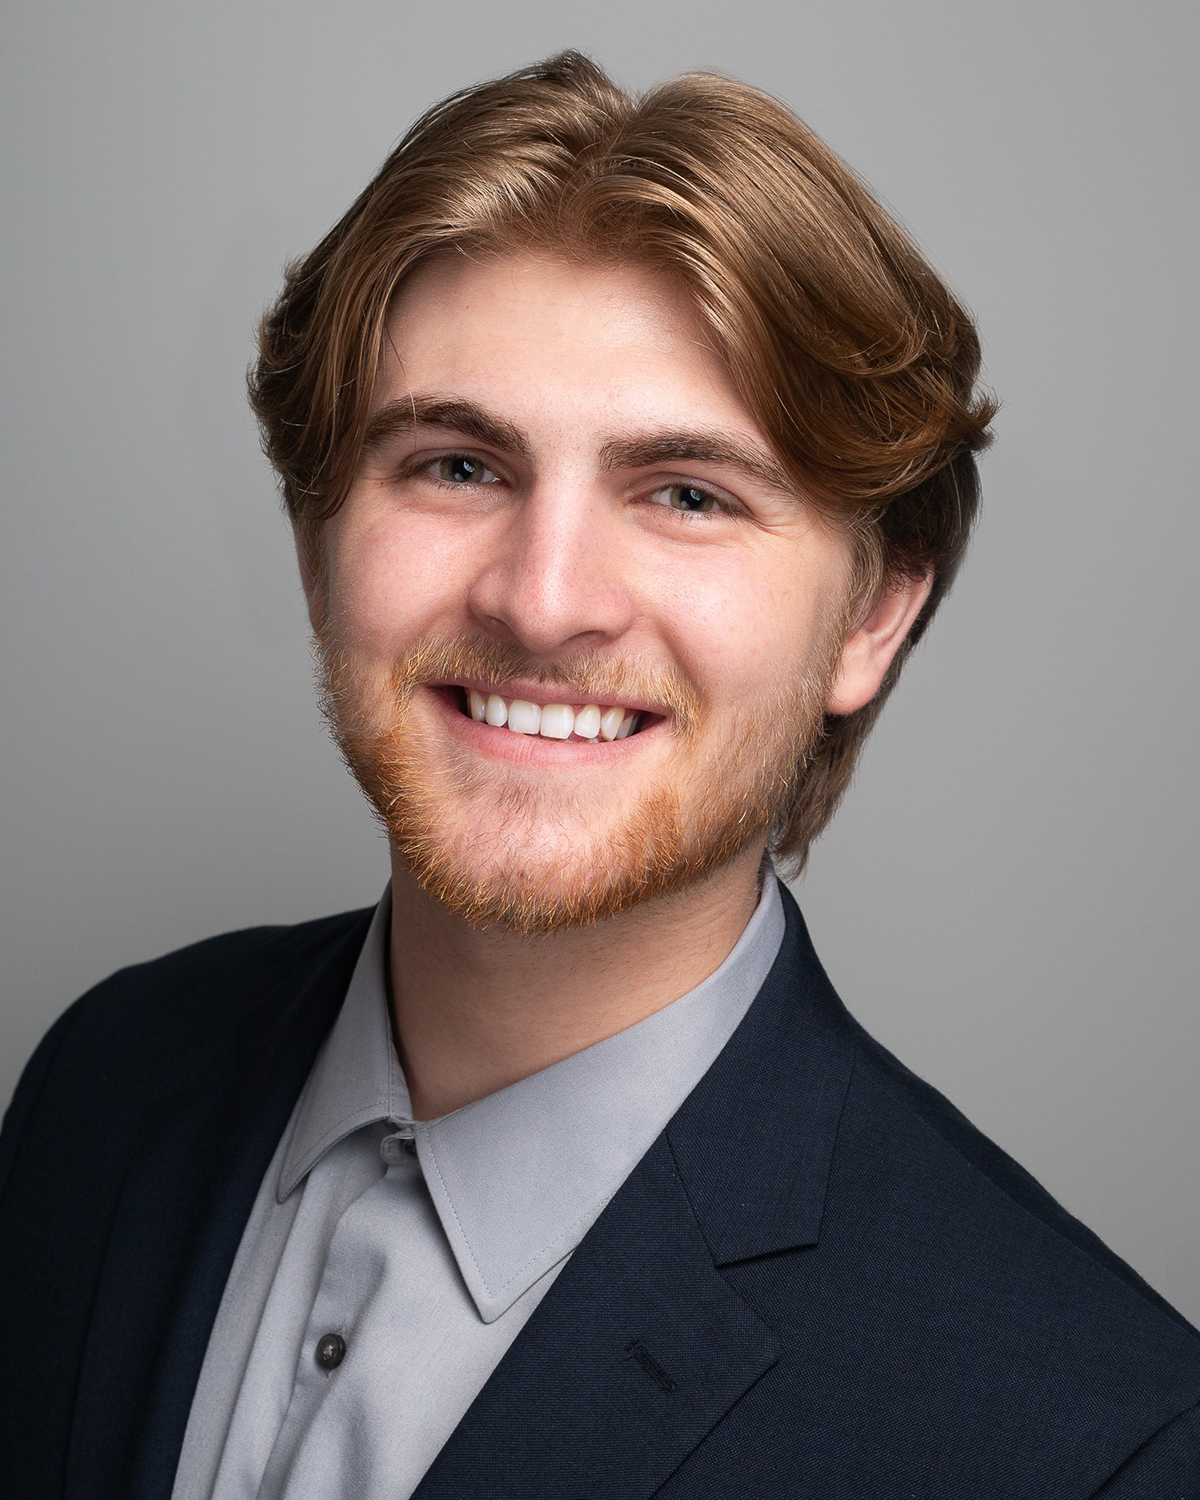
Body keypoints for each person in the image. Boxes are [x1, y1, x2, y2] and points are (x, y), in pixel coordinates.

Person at [1, 48, 1197, 1499]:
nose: (543, 599)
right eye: (456, 465)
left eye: (687, 493)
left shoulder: (1094, 1443)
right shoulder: (103, 1086)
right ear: (319, 548)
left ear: (873, 616)